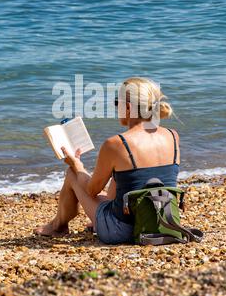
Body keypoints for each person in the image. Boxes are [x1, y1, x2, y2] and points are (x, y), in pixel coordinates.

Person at [34, 77, 180, 244]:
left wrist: (77, 164)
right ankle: (89, 222)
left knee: (73, 174)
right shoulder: (173, 136)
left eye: (117, 102)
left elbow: (91, 190)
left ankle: (58, 226)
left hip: (122, 230)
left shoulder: (117, 144)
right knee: (124, 175)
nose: (115, 107)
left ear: (127, 107)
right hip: (163, 222)